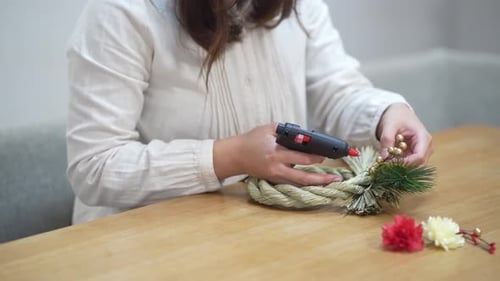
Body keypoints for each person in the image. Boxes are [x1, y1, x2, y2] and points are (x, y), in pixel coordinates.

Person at [66, 0, 433, 224]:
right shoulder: (121, 13)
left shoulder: (299, 6)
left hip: (258, 226)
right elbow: (94, 166)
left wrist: (387, 111)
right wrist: (232, 156)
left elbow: (336, 90)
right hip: (139, 240)